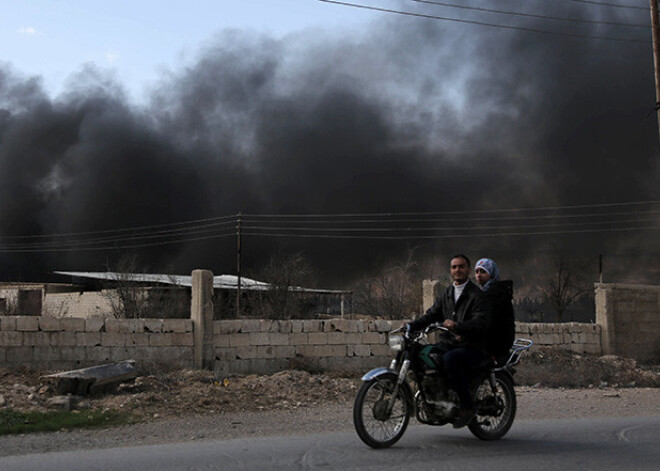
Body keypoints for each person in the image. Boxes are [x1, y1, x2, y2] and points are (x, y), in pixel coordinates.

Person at [406, 254, 491, 428]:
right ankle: (436, 398)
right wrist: (410, 327)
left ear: (468, 269)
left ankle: (467, 407)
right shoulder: (447, 293)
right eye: (454, 267)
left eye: (461, 266)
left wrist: (458, 326)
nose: (457, 270)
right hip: (449, 344)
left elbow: (481, 322)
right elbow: (431, 315)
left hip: (472, 346)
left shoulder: (476, 295)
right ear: (450, 270)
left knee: (450, 360)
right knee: (424, 354)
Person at [474, 258, 515, 365]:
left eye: (483, 271)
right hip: (495, 338)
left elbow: (488, 319)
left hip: (497, 340)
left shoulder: (495, 293)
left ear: (491, 274)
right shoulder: (485, 291)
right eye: (477, 271)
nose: (479, 275)